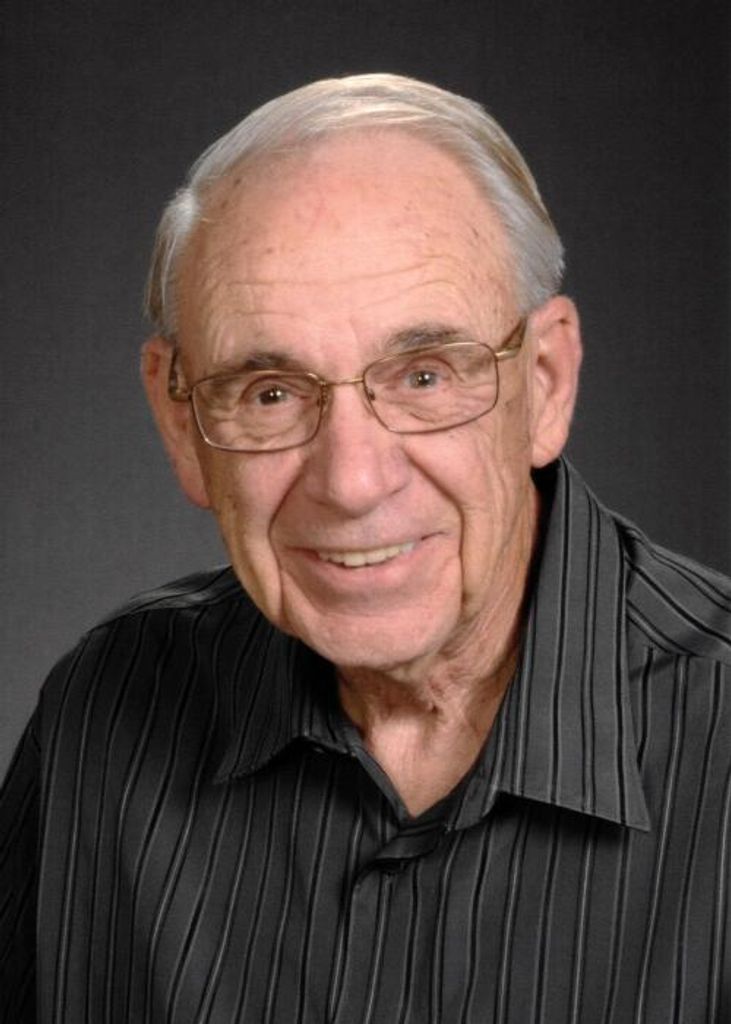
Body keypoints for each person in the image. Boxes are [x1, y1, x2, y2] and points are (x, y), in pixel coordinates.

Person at [1, 73, 729, 1024]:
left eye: (423, 376)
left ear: (546, 383)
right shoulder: (101, 716)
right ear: (180, 423)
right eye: (270, 392)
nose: (351, 481)